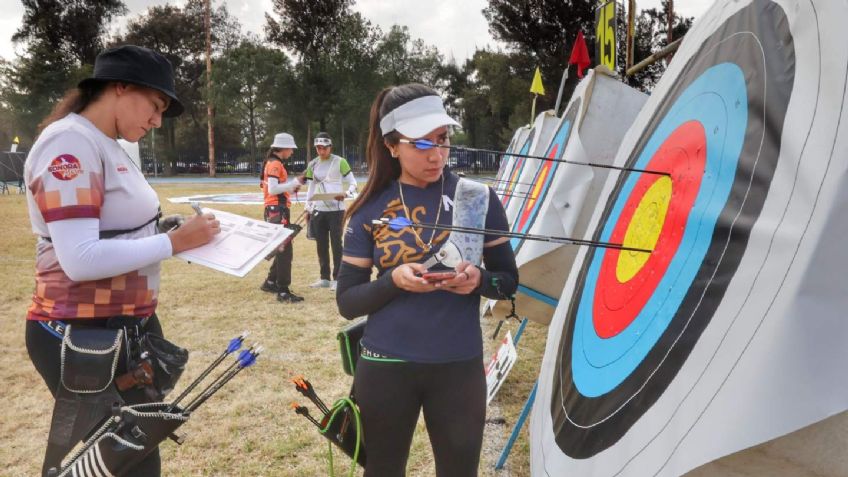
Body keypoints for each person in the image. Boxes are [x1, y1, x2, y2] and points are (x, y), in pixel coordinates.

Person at [23, 45, 219, 476]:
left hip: (123, 332)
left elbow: (117, 227)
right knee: (120, 462)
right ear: (119, 86)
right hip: (82, 336)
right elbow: (79, 258)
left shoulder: (106, 144)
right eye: (154, 105)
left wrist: (164, 230)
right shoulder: (69, 146)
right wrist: (174, 244)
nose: (156, 120)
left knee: (135, 455)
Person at [335, 83, 519, 476]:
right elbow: (347, 301)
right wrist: (393, 282)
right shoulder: (369, 209)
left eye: (443, 139)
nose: (437, 155)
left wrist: (479, 281)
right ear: (392, 145)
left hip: (458, 365)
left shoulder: (477, 198)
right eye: (421, 143)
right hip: (385, 365)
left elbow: (508, 281)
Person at [305, 132, 357, 290]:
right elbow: (311, 187)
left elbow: (353, 183)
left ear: (330, 147)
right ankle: (324, 278)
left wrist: (346, 194)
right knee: (321, 245)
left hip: (337, 210)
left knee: (336, 245)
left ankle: (338, 279)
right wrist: (308, 206)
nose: (321, 151)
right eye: (318, 148)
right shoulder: (312, 164)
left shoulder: (340, 162)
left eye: (324, 148)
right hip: (318, 210)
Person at [260, 132, 305, 303]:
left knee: (281, 247)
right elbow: (272, 189)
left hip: (276, 210)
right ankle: (283, 291)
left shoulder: (272, 163)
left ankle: (271, 282)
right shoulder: (275, 165)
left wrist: (290, 187)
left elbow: (276, 188)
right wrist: (294, 183)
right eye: (291, 149)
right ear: (284, 148)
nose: (292, 152)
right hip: (277, 211)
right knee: (285, 250)